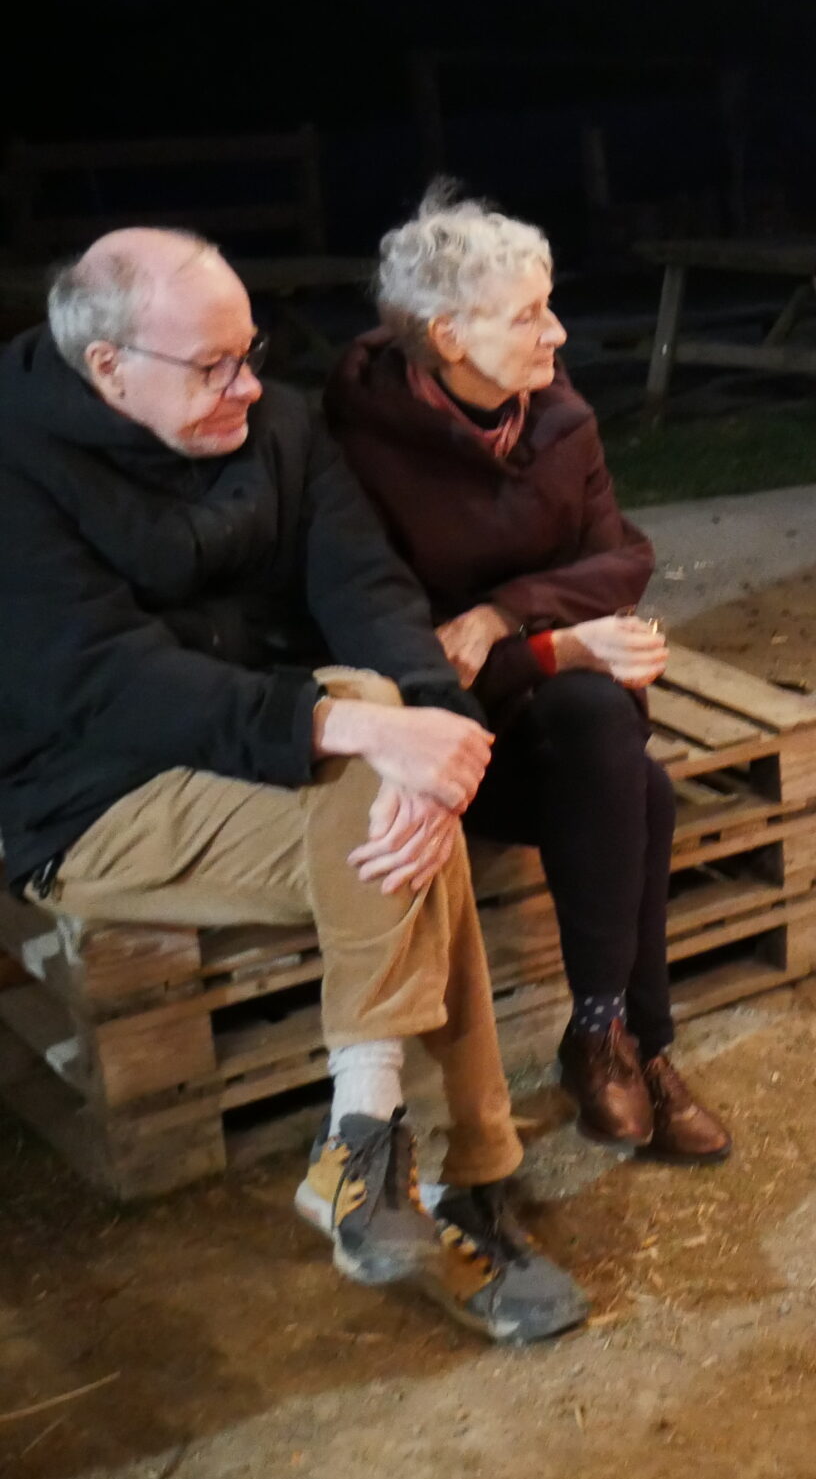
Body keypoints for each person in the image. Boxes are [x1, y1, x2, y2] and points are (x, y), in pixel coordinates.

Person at [0, 229, 585, 1342]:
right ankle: (461, 1180)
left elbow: (365, 586)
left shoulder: (274, 427)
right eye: (212, 366)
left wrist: (434, 723)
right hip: (96, 796)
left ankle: (366, 1147)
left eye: (251, 352)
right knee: (388, 785)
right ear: (110, 367)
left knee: (401, 804)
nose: (248, 385)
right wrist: (357, 725)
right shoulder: (15, 462)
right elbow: (103, 680)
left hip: (274, 749)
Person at [327, 186, 730, 1163]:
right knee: (638, 782)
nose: (557, 333)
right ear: (448, 337)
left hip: (554, 720)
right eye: (528, 315)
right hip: (438, 739)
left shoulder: (556, 418)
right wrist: (554, 645)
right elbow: (402, 642)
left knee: (602, 724)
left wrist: (506, 613)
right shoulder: (356, 444)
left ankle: (606, 1034)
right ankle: (639, 1044)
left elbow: (621, 559)